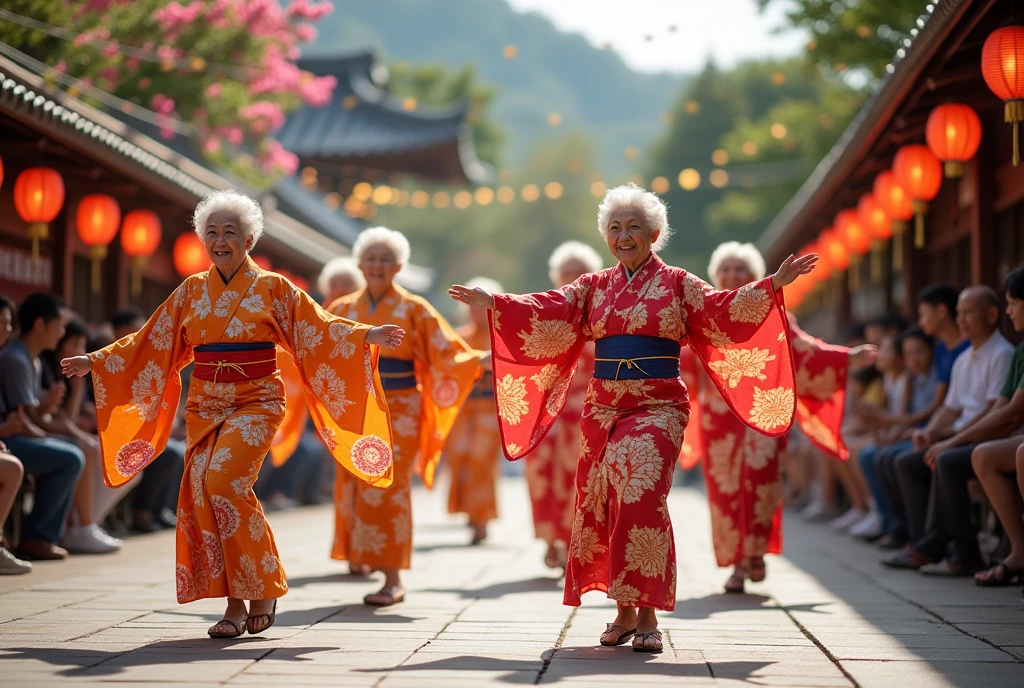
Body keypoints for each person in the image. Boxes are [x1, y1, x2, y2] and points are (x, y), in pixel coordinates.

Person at [450, 184, 816, 653]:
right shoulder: (592, 287)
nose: (624, 236)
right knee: (605, 501)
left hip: (659, 406)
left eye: (634, 228)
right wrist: (498, 304)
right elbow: (551, 307)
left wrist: (772, 285)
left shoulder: (680, 284)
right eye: (615, 228)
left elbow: (722, 310)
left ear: (655, 234)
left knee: (642, 492)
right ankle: (623, 611)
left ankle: (646, 613)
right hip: (603, 410)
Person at [61, 190, 405, 639]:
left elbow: (317, 327)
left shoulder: (273, 288)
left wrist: (366, 335)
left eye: (230, 232)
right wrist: (99, 361)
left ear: (249, 238)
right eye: (212, 232)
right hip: (206, 403)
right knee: (203, 492)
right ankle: (233, 603)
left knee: (225, 483)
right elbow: (153, 340)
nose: (220, 240)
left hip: (256, 400)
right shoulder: (191, 290)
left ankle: (263, 585)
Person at [684, 241, 871, 593]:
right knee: (725, 489)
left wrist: (847, 358)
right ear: (715, 275)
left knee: (761, 480)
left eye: (740, 269)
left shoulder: (774, 313)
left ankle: (755, 552)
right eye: (726, 269)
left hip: (763, 413)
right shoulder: (702, 316)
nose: (732, 275)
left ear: (754, 276)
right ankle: (739, 561)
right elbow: (683, 362)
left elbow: (805, 351)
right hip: (719, 419)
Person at [328, 226, 485, 606]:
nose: (378, 265)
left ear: (399, 266)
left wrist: (481, 359)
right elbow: (314, 344)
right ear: (360, 264)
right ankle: (361, 556)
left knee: (390, 486)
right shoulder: (341, 309)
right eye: (371, 258)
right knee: (355, 483)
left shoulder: (414, 309)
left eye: (386, 259)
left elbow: (448, 350)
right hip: (355, 409)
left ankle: (392, 577)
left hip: (400, 408)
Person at [883, 286, 1014, 574]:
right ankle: (924, 544)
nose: (961, 320)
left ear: (992, 316)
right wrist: (929, 432)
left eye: (968, 313)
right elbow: (950, 407)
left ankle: (964, 553)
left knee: (945, 460)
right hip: (961, 435)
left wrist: (951, 438)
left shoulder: (1002, 354)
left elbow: (995, 411)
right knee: (907, 462)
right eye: (959, 313)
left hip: (988, 438)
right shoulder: (965, 358)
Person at [525, 241, 603, 569]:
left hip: (587, 411)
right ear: (557, 277)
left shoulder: (604, 313)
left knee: (579, 478)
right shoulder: (545, 312)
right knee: (542, 475)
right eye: (565, 273)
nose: (571, 278)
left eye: (578, 272)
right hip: (545, 412)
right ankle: (549, 539)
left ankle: (573, 542)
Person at [0, 294, 86, 561]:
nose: (61, 333)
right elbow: (27, 419)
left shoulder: (30, 358)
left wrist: (48, 413)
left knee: (73, 451)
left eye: (9, 323)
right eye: (59, 325)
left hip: (12, 436)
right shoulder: (15, 357)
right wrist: (51, 429)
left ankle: (64, 530)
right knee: (70, 456)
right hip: (12, 439)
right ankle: (38, 536)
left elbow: (33, 416)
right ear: (40, 324)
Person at [41, 319, 125, 553]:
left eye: (83, 344)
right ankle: (81, 527)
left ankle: (86, 524)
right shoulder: (44, 369)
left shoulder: (71, 372)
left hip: (63, 432)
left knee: (122, 458)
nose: (81, 350)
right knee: (88, 449)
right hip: (49, 434)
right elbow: (62, 418)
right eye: (76, 343)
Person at [855, 328, 938, 541]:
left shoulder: (915, 378)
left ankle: (905, 527)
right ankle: (886, 518)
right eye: (909, 353)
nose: (913, 358)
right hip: (910, 433)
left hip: (924, 433)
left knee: (885, 456)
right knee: (868, 454)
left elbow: (905, 417)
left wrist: (883, 421)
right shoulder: (892, 381)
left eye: (885, 350)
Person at [972, 267, 1024, 586]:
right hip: (1012, 434)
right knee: (982, 455)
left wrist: (950, 440)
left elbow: (1013, 411)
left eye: (1013, 303)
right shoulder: (1020, 349)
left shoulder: (1005, 351)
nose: (1009, 311)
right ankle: (1019, 549)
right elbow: (1004, 406)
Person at [445, 276, 504, 545]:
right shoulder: (460, 336)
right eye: (471, 306)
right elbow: (448, 367)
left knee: (482, 460)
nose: (476, 312)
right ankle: (469, 512)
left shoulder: (503, 335)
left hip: (491, 406)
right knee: (460, 457)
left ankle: (481, 519)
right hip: (464, 407)